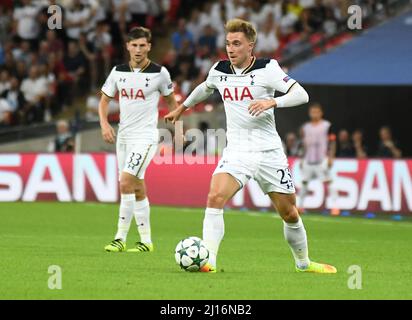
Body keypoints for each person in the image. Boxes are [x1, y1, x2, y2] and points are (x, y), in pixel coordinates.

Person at [165, 19, 336, 274]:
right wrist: (182, 107)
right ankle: (209, 261)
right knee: (214, 197)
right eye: (228, 43)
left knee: (289, 212)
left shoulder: (268, 68)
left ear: (250, 46)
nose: (231, 49)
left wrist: (272, 103)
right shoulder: (219, 69)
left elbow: (302, 94)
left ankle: (304, 263)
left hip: (269, 152)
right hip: (237, 151)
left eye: (237, 44)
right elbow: (206, 87)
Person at [99, 27, 178, 253]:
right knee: (137, 188)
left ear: (149, 47)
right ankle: (146, 241)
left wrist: (178, 129)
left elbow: (172, 102)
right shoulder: (118, 72)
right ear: (127, 46)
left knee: (125, 181)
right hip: (123, 137)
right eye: (134, 45)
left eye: (142, 45)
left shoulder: (160, 73)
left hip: (145, 137)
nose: (138, 50)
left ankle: (119, 238)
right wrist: (105, 124)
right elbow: (104, 101)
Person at [297, 103, 337, 212]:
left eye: (316, 112)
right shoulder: (306, 127)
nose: (314, 114)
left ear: (321, 113)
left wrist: (331, 158)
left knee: (329, 181)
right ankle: (300, 206)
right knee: (304, 182)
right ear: (309, 113)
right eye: (312, 112)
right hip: (308, 159)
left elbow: (333, 142)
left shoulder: (327, 126)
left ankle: (335, 206)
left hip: (322, 159)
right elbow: (304, 144)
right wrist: (302, 159)